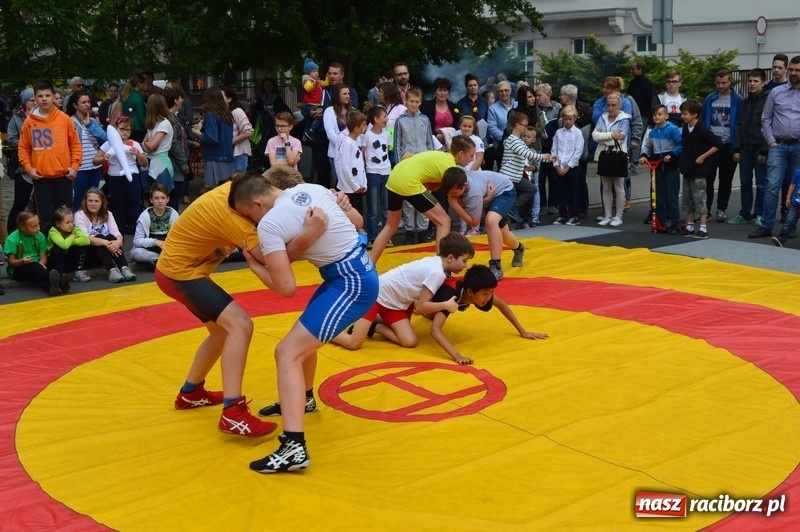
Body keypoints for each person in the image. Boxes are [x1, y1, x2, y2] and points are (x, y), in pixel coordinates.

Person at [155, 168, 332, 439]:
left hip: (181, 270)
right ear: (258, 200)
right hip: (180, 274)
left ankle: (190, 393)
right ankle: (232, 412)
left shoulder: (239, 196)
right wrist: (308, 234)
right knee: (240, 325)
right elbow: (273, 261)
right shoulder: (236, 216)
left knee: (221, 333)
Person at [229, 169, 379, 473]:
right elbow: (358, 223)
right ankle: (305, 398)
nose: (251, 223)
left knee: (287, 352)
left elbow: (285, 288)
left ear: (257, 203)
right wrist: (310, 234)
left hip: (350, 283)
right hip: (350, 274)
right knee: (302, 341)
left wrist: (254, 265)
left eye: (248, 216)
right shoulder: (314, 188)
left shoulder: (270, 224)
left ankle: (293, 446)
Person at [333, 232, 473, 351]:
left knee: (409, 341)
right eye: (464, 261)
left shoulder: (436, 263)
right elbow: (420, 307)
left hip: (395, 303)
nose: (465, 265)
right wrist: (445, 305)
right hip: (374, 297)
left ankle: (373, 326)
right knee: (354, 343)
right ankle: (326, 331)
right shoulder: (437, 272)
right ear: (450, 258)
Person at [369, 136, 476, 264]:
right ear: (461, 154)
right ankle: (441, 266)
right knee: (444, 221)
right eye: (471, 156)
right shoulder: (449, 168)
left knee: (391, 225)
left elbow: (426, 174)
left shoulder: (441, 155)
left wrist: (432, 183)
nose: (472, 160)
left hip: (394, 177)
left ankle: (370, 264)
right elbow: (453, 195)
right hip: (408, 181)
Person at [425, 264, 549, 365]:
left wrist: (523, 331)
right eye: (485, 293)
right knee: (415, 335)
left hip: (435, 297)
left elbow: (501, 304)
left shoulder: (474, 292)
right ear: (470, 292)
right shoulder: (451, 296)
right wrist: (457, 356)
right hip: (417, 295)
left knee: (434, 313)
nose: (489, 297)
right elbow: (435, 330)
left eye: (491, 292)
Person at [18, 79, 82, 235]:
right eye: (40, 96)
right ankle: (47, 249)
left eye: (47, 95)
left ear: (54, 96)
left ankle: (65, 247)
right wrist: (29, 169)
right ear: (35, 98)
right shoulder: (29, 122)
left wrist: (74, 167)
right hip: (42, 178)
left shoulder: (64, 119)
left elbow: (75, 145)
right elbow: (23, 148)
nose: (44, 99)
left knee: (65, 218)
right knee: (45, 219)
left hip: (64, 176)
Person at [442, 167, 525, 280]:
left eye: (455, 193)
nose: (452, 196)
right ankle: (519, 248)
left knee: (490, 221)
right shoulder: (456, 181)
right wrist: (486, 198)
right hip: (492, 193)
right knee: (503, 234)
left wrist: (455, 205)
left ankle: (496, 266)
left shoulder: (473, 193)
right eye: (450, 194)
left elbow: (474, 222)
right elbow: (472, 205)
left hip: (504, 191)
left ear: (465, 185)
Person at [751, 55, 800, 240]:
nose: (794, 73)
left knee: (796, 189)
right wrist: (771, 141)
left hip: (798, 146)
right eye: (792, 69)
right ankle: (767, 225)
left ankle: (789, 226)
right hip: (778, 146)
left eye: (798, 70)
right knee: (772, 186)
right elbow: (766, 119)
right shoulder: (776, 92)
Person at [93, 116, 148, 233]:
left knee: (135, 208)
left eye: (128, 130)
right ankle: (119, 236)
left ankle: (139, 235)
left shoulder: (135, 144)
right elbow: (95, 160)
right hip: (114, 178)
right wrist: (103, 158)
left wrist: (139, 154)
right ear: (116, 129)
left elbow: (144, 163)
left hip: (132, 177)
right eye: (122, 129)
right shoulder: (108, 144)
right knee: (118, 210)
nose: (125, 132)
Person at [394, 86, 434, 244]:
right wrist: (399, 165)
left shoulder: (425, 119)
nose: (414, 104)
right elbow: (397, 145)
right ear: (406, 101)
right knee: (409, 201)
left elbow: (430, 142)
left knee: (425, 197)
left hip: (424, 165)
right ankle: (410, 231)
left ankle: (423, 231)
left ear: (421, 102)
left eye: (417, 101)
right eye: (411, 101)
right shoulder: (400, 121)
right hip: (408, 165)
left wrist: (431, 163)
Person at [702, 69, 743, 222]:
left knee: (726, 180)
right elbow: (704, 121)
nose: (721, 86)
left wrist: (737, 148)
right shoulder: (710, 99)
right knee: (708, 179)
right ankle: (705, 209)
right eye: (718, 83)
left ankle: (721, 208)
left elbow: (740, 123)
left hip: (728, 144)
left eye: (724, 83)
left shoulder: (738, 99)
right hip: (712, 145)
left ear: (730, 82)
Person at [730, 68, 770, 225]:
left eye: (756, 81)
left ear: (763, 83)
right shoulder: (745, 102)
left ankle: (759, 214)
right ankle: (744, 213)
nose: (752, 84)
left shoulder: (768, 100)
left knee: (761, 183)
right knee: (745, 181)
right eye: (750, 81)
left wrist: (764, 151)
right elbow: (738, 125)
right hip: (745, 148)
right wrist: (737, 148)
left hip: (760, 148)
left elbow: (769, 125)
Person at [499, 111, 551, 230]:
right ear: (517, 125)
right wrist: (544, 156)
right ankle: (509, 214)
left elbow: (528, 153)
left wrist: (548, 158)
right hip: (508, 177)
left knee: (531, 189)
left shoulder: (518, 140)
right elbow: (527, 154)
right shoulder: (513, 140)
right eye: (525, 126)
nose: (526, 128)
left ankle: (511, 209)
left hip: (515, 177)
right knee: (522, 193)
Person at [679, 99, 721, 239]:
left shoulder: (701, 129)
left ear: (694, 114)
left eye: (685, 114)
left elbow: (717, 143)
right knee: (688, 199)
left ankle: (703, 228)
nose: (683, 116)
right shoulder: (686, 128)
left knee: (700, 199)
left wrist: (703, 157)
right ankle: (690, 226)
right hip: (688, 170)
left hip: (699, 171)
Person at [74, 188, 136, 282]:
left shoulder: (108, 214)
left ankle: (124, 268)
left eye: (96, 201)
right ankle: (111, 271)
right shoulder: (79, 215)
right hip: (87, 255)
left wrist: (118, 242)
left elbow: (116, 233)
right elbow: (85, 238)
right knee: (99, 237)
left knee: (112, 237)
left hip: (105, 253)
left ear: (102, 203)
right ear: (85, 202)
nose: (93, 204)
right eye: (90, 200)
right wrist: (106, 243)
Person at [638, 105, 683, 234]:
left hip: (671, 167)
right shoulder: (652, 132)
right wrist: (643, 155)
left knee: (672, 197)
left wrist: (672, 154)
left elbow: (681, 144)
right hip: (657, 167)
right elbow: (647, 146)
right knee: (659, 197)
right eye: (654, 115)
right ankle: (661, 222)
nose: (656, 117)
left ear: (666, 116)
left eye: (659, 114)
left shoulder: (673, 129)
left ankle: (675, 222)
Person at [593, 92, 631, 228]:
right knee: (606, 187)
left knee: (619, 187)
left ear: (619, 105)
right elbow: (594, 135)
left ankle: (618, 216)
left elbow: (621, 138)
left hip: (618, 155)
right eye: (608, 105)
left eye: (613, 105)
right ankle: (607, 215)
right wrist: (611, 135)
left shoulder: (624, 119)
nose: (610, 108)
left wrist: (603, 136)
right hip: (604, 155)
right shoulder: (602, 117)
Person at [67, 90, 108, 212]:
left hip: (95, 167)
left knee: (94, 199)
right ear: (75, 105)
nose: (87, 105)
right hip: (80, 168)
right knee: (79, 199)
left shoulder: (93, 122)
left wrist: (90, 126)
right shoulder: (69, 122)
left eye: (88, 102)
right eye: (83, 102)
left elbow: (106, 138)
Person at [3, 210, 62, 296]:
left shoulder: (40, 235)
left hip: (38, 266)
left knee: (38, 273)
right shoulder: (12, 239)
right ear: (23, 228)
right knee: (34, 267)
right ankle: (60, 281)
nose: (38, 228)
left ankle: (51, 287)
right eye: (33, 226)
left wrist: (40, 265)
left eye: (38, 224)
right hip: (19, 269)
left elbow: (43, 258)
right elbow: (11, 262)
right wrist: (22, 261)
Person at [558, 84, 593, 218]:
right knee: (566, 184)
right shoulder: (562, 110)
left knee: (580, 181)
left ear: (569, 96)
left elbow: (590, 128)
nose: (559, 97)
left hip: (581, 152)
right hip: (564, 154)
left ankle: (582, 209)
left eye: (562, 94)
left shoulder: (585, 108)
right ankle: (568, 209)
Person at [5, 88, 37, 234]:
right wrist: (28, 143)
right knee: (20, 203)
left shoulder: (42, 116)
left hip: (42, 166)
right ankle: (11, 234)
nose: (35, 102)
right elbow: (11, 139)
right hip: (23, 167)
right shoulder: (16, 119)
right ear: (25, 102)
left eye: (35, 99)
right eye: (31, 100)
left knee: (40, 204)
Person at [192, 86, 234, 191]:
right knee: (226, 189)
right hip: (227, 156)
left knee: (211, 189)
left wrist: (198, 133)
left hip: (215, 157)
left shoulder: (211, 115)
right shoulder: (227, 114)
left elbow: (211, 138)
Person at [551, 105, 584, 226]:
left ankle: (574, 214)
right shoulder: (558, 133)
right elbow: (554, 150)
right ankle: (562, 214)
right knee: (561, 191)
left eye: (570, 119)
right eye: (565, 119)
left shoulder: (578, 133)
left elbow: (578, 152)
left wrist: (568, 167)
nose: (568, 121)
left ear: (574, 118)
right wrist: (556, 165)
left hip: (572, 167)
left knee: (573, 191)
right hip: (560, 165)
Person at [131, 183, 179, 267]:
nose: (160, 201)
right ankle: (164, 260)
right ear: (151, 200)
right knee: (136, 253)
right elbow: (137, 240)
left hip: (168, 247)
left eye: (163, 198)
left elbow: (178, 236)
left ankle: (157, 262)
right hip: (150, 248)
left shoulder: (173, 214)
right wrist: (155, 242)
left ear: (167, 199)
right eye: (156, 198)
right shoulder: (145, 216)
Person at [363, 105, 391, 246]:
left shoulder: (387, 134)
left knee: (386, 208)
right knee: (373, 209)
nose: (387, 119)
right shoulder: (367, 135)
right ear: (376, 119)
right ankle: (372, 237)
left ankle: (386, 237)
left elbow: (388, 150)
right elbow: (363, 152)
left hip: (386, 172)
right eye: (384, 117)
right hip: (373, 173)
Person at [46, 206, 90, 294]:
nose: (71, 225)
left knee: (81, 245)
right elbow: (64, 245)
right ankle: (59, 277)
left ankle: (77, 271)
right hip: (54, 264)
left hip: (67, 261)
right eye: (67, 222)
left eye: (72, 221)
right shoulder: (53, 231)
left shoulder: (74, 228)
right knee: (58, 247)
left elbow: (86, 240)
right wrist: (71, 237)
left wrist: (71, 241)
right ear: (58, 224)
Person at [163, 88, 192, 210]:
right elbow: (174, 143)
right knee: (173, 200)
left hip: (175, 164)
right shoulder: (172, 119)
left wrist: (190, 142)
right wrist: (183, 163)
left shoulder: (173, 117)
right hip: (175, 166)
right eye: (180, 98)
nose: (182, 100)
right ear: (175, 101)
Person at [334, 110, 368, 215]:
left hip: (357, 188)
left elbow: (360, 165)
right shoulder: (346, 143)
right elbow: (345, 168)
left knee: (360, 214)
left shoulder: (357, 141)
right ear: (357, 128)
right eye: (363, 126)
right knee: (352, 216)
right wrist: (355, 186)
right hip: (349, 189)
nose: (365, 127)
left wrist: (364, 183)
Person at [142, 94, 175, 194]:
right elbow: (144, 144)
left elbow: (151, 145)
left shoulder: (164, 124)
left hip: (161, 164)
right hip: (152, 162)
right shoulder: (153, 123)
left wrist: (149, 144)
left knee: (162, 193)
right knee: (153, 195)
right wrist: (149, 145)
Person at [221, 86, 254, 172]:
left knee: (238, 179)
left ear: (229, 99)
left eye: (221, 96)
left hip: (239, 153)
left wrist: (230, 142)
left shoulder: (237, 111)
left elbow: (248, 132)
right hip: (229, 154)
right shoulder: (225, 113)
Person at [420, 77, 458, 146]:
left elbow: (457, 125)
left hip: (452, 142)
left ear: (448, 92)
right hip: (432, 141)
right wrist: (437, 136)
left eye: (445, 90)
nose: (442, 93)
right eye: (440, 90)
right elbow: (424, 125)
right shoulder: (426, 106)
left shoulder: (454, 107)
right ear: (435, 92)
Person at [300, 58, 330, 143]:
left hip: (315, 104)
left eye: (317, 71)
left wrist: (327, 76)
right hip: (309, 105)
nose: (317, 73)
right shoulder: (307, 80)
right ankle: (311, 131)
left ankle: (305, 135)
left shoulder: (316, 81)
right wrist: (315, 83)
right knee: (320, 116)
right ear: (308, 73)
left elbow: (326, 84)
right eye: (314, 71)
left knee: (310, 121)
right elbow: (308, 88)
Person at [487, 81, 515, 169]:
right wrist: (507, 140)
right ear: (497, 93)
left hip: (520, 145)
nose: (504, 93)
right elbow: (492, 127)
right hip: (502, 147)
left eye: (506, 90)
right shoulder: (493, 108)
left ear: (510, 91)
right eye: (501, 91)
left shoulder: (517, 105)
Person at [771, 168, 800, 248]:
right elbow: (792, 185)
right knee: (788, 221)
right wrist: (788, 198)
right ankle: (781, 239)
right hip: (795, 204)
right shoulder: (798, 173)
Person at [121, 73, 147, 142]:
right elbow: (141, 117)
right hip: (138, 128)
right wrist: (147, 128)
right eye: (143, 83)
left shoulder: (127, 95)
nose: (144, 86)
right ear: (139, 84)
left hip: (127, 125)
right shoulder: (138, 98)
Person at [628, 60, 655, 127]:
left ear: (640, 70)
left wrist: (650, 118)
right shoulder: (632, 83)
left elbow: (651, 101)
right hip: (632, 114)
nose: (631, 71)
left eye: (633, 69)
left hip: (643, 115)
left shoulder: (648, 83)